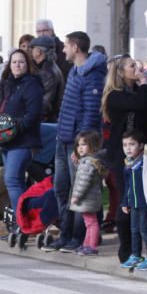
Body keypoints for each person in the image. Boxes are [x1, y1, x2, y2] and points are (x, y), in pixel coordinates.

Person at [48, 32, 106, 252]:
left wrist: (82, 146)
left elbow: (90, 113)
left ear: (75, 47)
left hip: (77, 142)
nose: (63, 50)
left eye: (66, 46)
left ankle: (78, 236)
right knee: (61, 188)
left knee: (79, 191)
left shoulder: (92, 75)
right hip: (62, 138)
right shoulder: (74, 71)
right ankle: (66, 231)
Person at [100, 55, 147, 262]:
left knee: (142, 203)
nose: (138, 68)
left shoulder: (136, 93)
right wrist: (144, 84)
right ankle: (127, 250)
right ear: (122, 73)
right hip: (120, 156)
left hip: (142, 155)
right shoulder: (115, 95)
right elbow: (139, 104)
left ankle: (142, 248)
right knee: (127, 202)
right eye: (133, 66)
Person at [0, 48, 44, 246]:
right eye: (14, 62)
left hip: (23, 140)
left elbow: (33, 114)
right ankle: (26, 220)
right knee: (15, 183)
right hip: (8, 140)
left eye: (21, 62)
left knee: (12, 180)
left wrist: (16, 127)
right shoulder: (9, 84)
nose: (17, 65)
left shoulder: (31, 85)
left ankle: (20, 223)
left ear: (28, 65)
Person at [120, 129, 147, 270]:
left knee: (144, 230)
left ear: (141, 145)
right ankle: (136, 254)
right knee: (134, 230)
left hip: (145, 202)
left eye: (132, 144)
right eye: (125, 145)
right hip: (133, 202)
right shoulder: (128, 164)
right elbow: (127, 185)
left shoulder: (144, 162)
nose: (128, 148)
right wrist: (125, 201)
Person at [69, 130, 106, 256]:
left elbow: (83, 182)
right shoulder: (88, 161)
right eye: (78, 145)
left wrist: (76, 196)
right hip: (90, 198)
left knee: (91, 223)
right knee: (89, 222)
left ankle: (92, 246)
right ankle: (86, 244)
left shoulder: (88, 163)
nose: (80, 148)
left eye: (84, 144)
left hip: (86, 198)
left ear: (93, 145)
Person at [29, 35, 65, 122]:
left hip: (45, 122)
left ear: (39, 51)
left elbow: (44, 103)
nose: (31, 51)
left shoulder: (47, 72)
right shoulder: (49, 68)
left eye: (32, 48)